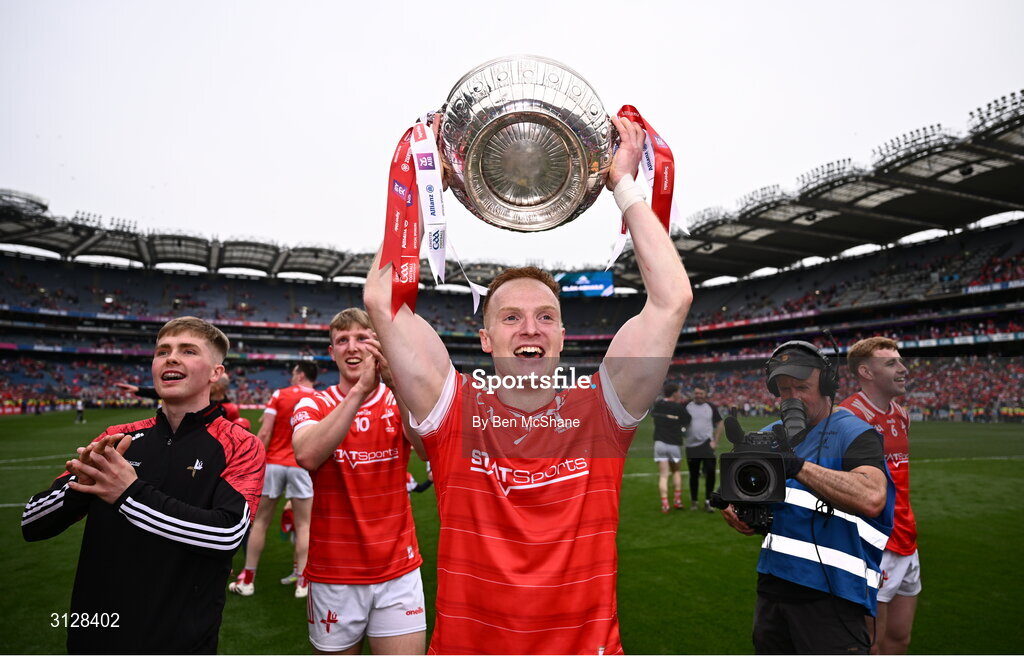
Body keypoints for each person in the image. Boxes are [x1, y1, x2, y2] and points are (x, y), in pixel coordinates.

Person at [364, 115, 693, 654]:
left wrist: (623, 183)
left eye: (545, 316)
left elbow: (671, 299)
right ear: (486, 338)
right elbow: (383, 301)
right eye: (511, 318)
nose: (530, 329)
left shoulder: (602, 410)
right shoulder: (453, 409)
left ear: (563, 335)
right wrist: (428, 187)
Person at [22, 316, 265, 654]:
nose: (171, 358)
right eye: (162, 351)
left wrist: (127, 493)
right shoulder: (117, 438)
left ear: (215, 373)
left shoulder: (240, 444)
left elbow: (225, 535)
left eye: (188, 351)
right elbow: (31, 523)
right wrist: (79, 486)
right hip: (94, 635)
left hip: (182, 640)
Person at [721, 340, 896, 654]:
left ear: (828, 385)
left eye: (802, 387)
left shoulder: (854, 433)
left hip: (833, 595)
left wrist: (799, 466)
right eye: (785, 390)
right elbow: (752, 486)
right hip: (773, 588)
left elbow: (872, 497)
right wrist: (736, 505)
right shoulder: (773, 432)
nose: (793, 398)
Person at [290, 308, 427, 655]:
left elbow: (426, 450)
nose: (352, 347)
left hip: (398, 567)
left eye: (362, 338)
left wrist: (400, 387)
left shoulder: (398, 400)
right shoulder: (313, 401)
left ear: (379, 344)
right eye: (342, 340)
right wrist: (360, 391)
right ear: (332, 351)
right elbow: (307, 455)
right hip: (335, 572)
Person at [840, 337, 918, 654]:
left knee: (900, 638)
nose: (903, 369)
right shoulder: (846, 418)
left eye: (900, 361)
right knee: (872, 642)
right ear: (866, 372)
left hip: (907, 541)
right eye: (891, 363)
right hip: (874, 545)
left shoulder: (901, 415)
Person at [229, 361, 319, 599]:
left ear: (300, 375)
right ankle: (303, 583)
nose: (291, 377)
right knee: (304, 525)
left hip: (274, 463)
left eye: (293, 373)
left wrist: (252, 461)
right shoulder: (320, 398)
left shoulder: (280, 394)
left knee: (260, 523)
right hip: (301, 465)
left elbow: (265, 432)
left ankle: (248, 580)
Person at [651, 382, 690, 512]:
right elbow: (687, 420)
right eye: (679, 392)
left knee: (663, 475)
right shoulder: (678, 407)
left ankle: (665, 504)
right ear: (674, 393)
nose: (680, 394)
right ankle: (677, 501)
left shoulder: (658, 404)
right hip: (673, 444)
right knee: (676, 472)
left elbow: (653, 417)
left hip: (660, 443)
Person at [684, 385, 723, 512]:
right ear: (693, 394)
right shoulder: (686, 406)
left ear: (705, 394)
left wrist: (715, 441)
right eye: (696, 393)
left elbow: (720, 423)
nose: (698, 395)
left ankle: (708, 501)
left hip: (706, 444)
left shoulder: (711, 407)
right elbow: (678, 421)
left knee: (711, 471)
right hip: (691, 446)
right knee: (693, 474)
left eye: (701, 393)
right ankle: (694, 501)